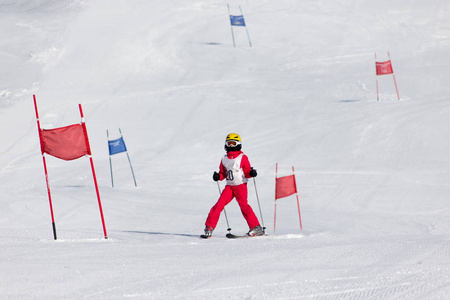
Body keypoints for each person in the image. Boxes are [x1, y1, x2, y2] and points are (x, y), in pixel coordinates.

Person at [203, 133, 264, 237]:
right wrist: (218, 176)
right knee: (218, 205)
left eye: (233, 143)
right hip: (229, 187)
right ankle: (209, 227)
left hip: (240, 186)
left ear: (238, 144)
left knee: (244, 206)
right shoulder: (224, 159)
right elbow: (223, 173)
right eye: (229, 143)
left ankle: (256, 227)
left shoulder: (242, 157)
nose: (231, 146)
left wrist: (251, 173)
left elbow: (247, 171)